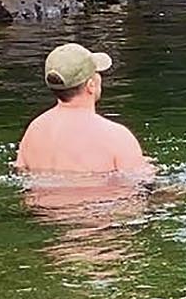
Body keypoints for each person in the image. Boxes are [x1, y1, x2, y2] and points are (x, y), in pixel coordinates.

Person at [15, 43, 155, 197]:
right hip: (97, 217)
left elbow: (21, 172)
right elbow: (141, 190)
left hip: (43, 215)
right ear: (91, 85)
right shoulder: (116, 136)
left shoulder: (33, 130)